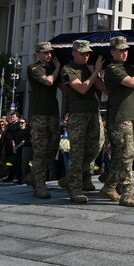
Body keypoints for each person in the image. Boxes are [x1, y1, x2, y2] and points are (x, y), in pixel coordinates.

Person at [101, 36, 134, 207]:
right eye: (120, 50)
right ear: (112, 51)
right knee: (127, 155)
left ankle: (109, 186)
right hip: (121, 118)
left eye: (126, 50)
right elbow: (131, 83)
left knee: (121, 156)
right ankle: (126, 193)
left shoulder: (129, 68)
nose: (124, 53)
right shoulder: (112, 68)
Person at [60, 40, 105, 203]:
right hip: (78, 115)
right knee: (77, 152)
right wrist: (95, 72)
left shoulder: (90, 68)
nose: (86, 56)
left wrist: (96, 72)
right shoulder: (68, 69)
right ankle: (76, 188)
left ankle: (77, 177)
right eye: (82, 53)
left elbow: (103, 89)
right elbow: (82, 88)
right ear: (74, 53)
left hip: (93, 113)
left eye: (88, 53)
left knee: (95, 147)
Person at [26, 42, 61, 198]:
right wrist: (58, 68)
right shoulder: (34, 68)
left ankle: (34, 176)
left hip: (53, 113)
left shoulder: (52, 69)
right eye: (45, 53)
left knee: (52, 148)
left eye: (50, 53)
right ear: (37, 54)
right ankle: (40, 185)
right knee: (40, 150)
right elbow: (48, 81)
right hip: (39, 114)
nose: (48, 56)